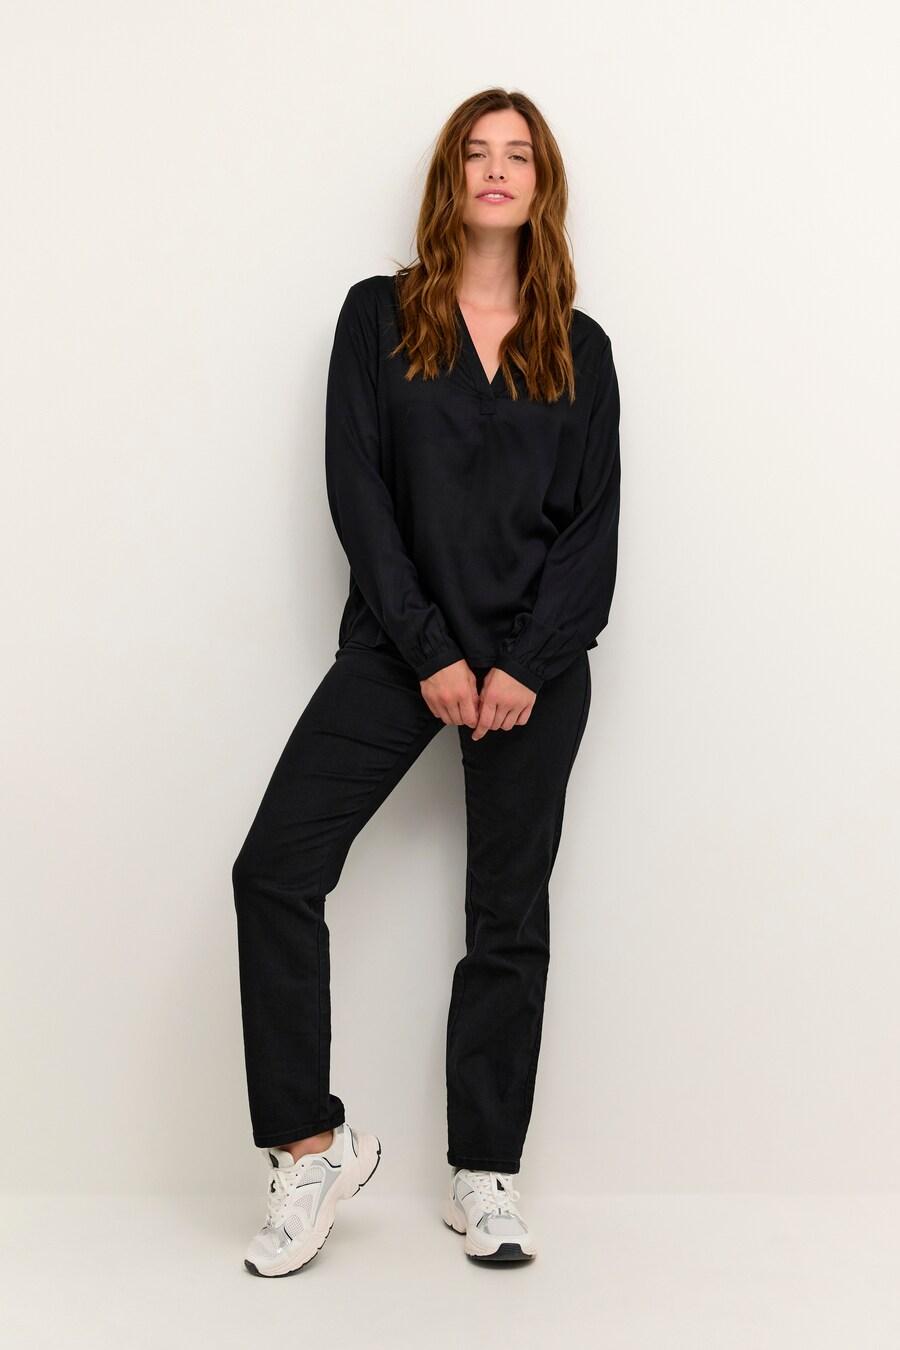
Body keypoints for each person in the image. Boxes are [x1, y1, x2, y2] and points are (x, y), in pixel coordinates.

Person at [232, 87, 621, 1276]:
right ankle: (311, 1150)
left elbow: (591, 535)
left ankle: (485, 1174)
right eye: (476, 153)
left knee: (508, 916)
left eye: (519, 156)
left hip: (533, 675)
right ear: (451, 178)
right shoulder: (379, 316)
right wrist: (433, 653)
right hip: (400, 653)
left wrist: (524, 666)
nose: (496, 169)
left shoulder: (581, 348)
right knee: (274, 870)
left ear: (542, 187)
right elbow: (359, 495)